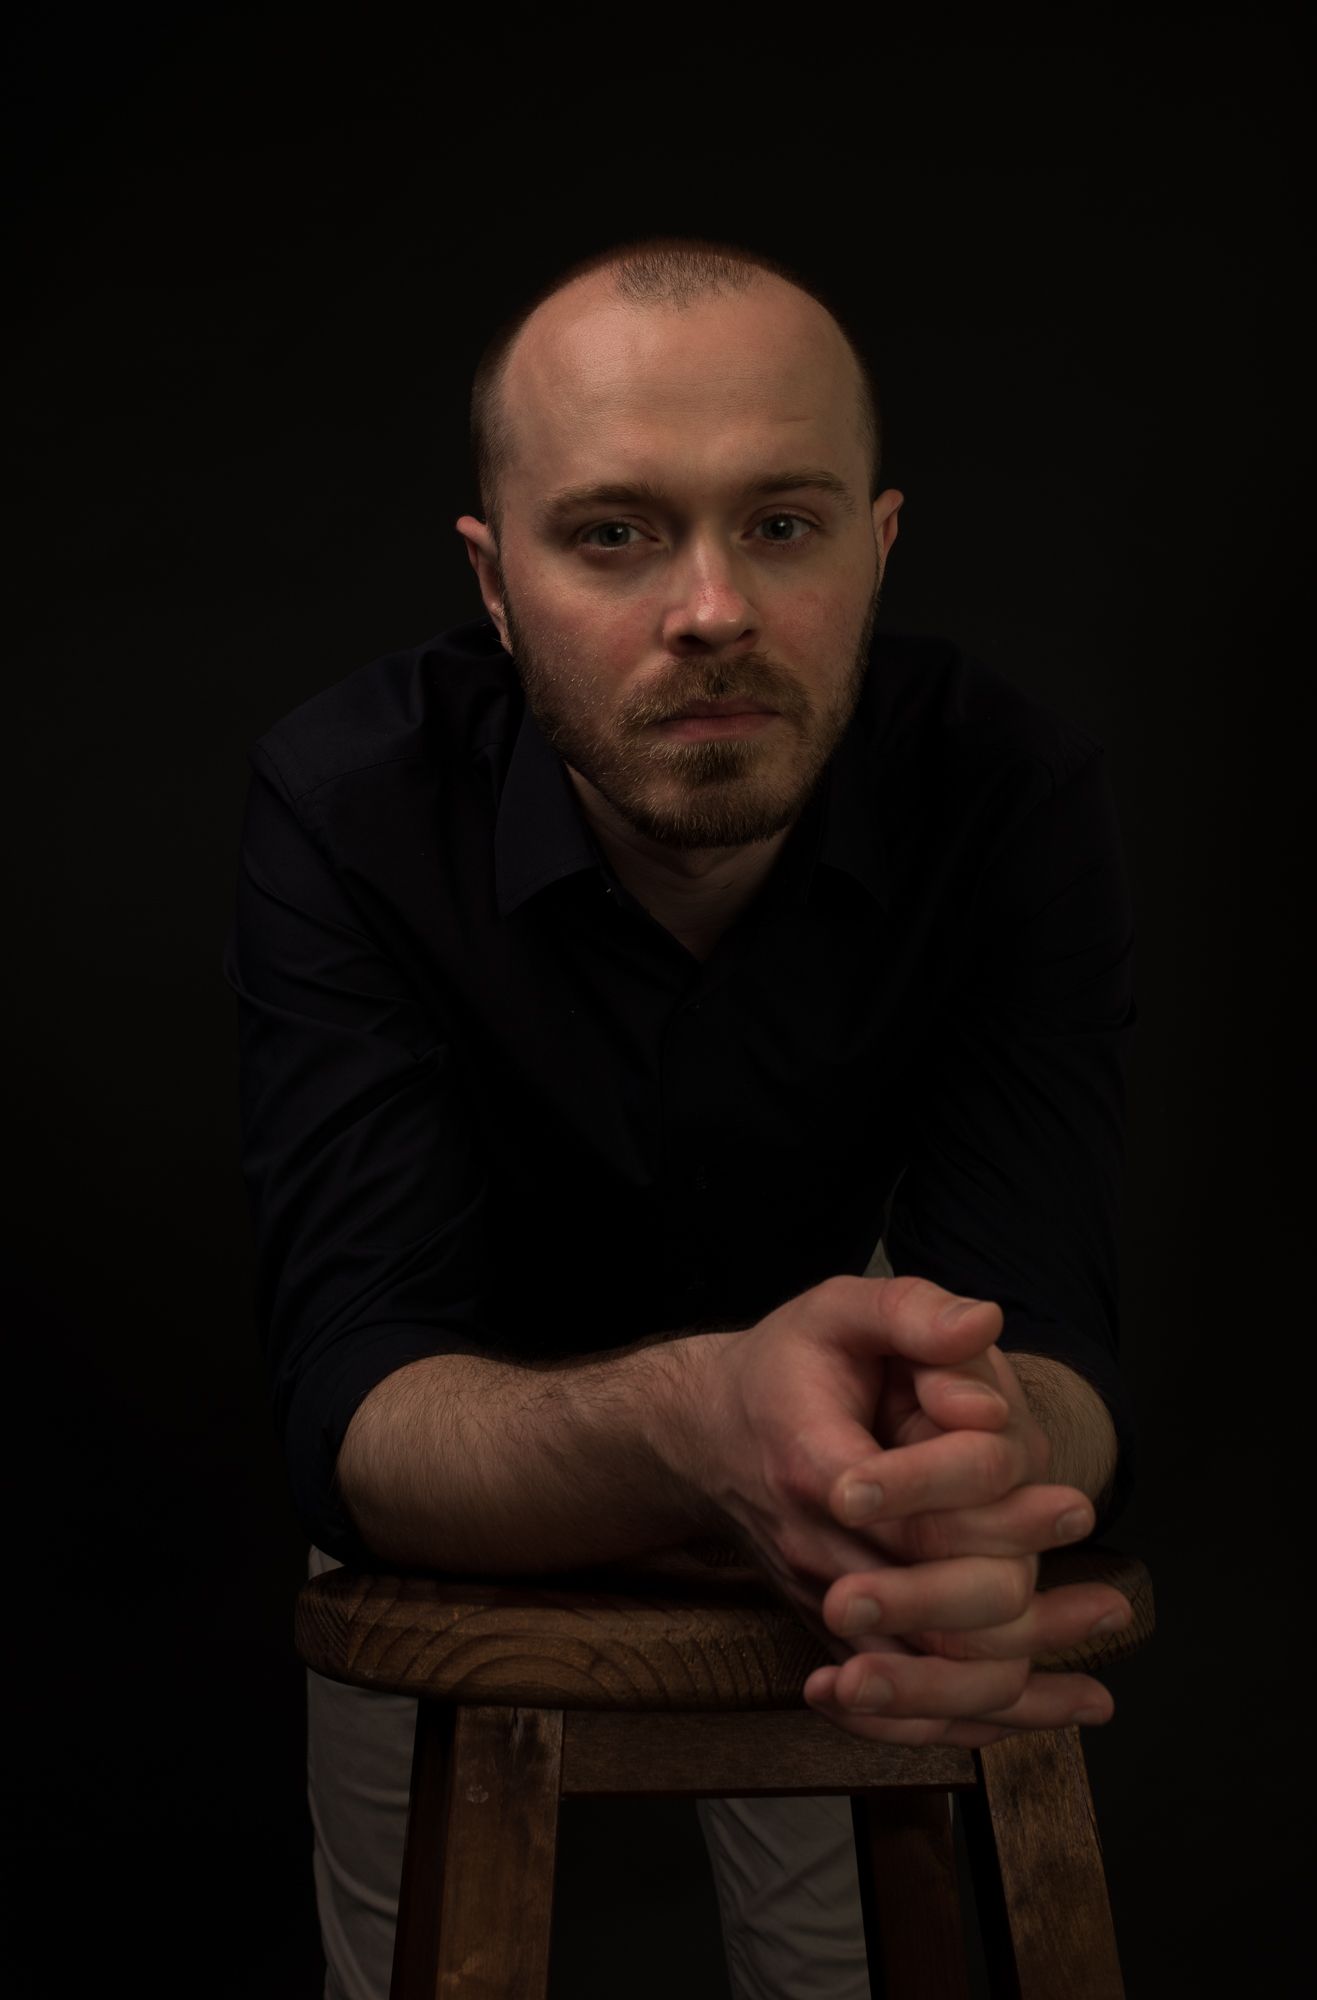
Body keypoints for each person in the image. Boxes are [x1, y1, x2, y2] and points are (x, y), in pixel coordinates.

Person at [223, 233, 1139, 2000]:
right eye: (613, 534)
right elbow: (355, 1398)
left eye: (782, 525)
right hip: (459, 1480)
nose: (711, 609)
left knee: (834, 1965)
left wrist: (971, 1459)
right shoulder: (345, 806)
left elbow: (1057, 1328)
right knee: (399, 1961)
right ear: (495, 581)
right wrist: (693, 1419)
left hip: (842, 1469)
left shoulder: (1007, 791)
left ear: (875, 547)